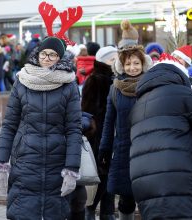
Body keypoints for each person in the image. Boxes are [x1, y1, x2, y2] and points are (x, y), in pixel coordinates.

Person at [0, 36, 82, 220]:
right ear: (37, 54)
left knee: (54, 213)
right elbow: (9, 125)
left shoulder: (69, 85)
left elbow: (73, 129)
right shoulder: (22, 81)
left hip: (57, 161)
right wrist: (1, 163)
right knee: (23, 212)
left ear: (60, 58)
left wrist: (72, 169)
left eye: (52, 54)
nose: (47, 58)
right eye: (43, 53)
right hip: (25, 161)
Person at [129, 53, 192, 220]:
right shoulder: (181, 93)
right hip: (175, 176)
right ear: (180, 75)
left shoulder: (139, 104)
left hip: (142, 181)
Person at [98, 45, 147, 220]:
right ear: (121, 66)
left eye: (136, 63)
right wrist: (104, 149)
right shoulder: (115, 89)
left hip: (147, 149)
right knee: (126, 198)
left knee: (147, 196)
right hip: (123, 149)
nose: (132, 67)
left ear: (143, 64)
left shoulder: (151, 86)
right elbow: (108, 122)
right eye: (128, 64)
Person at [82, 46, 118, 220]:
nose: (115, 63)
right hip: (98, 138)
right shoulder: (95, 80)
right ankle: (91, 210)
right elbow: (87, 112)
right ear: (103, 61)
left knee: (110, 178)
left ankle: (108, 212)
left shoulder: (116, 79)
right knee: (100, 177)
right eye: (112, 60)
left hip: (113, 136)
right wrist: (94, 133)